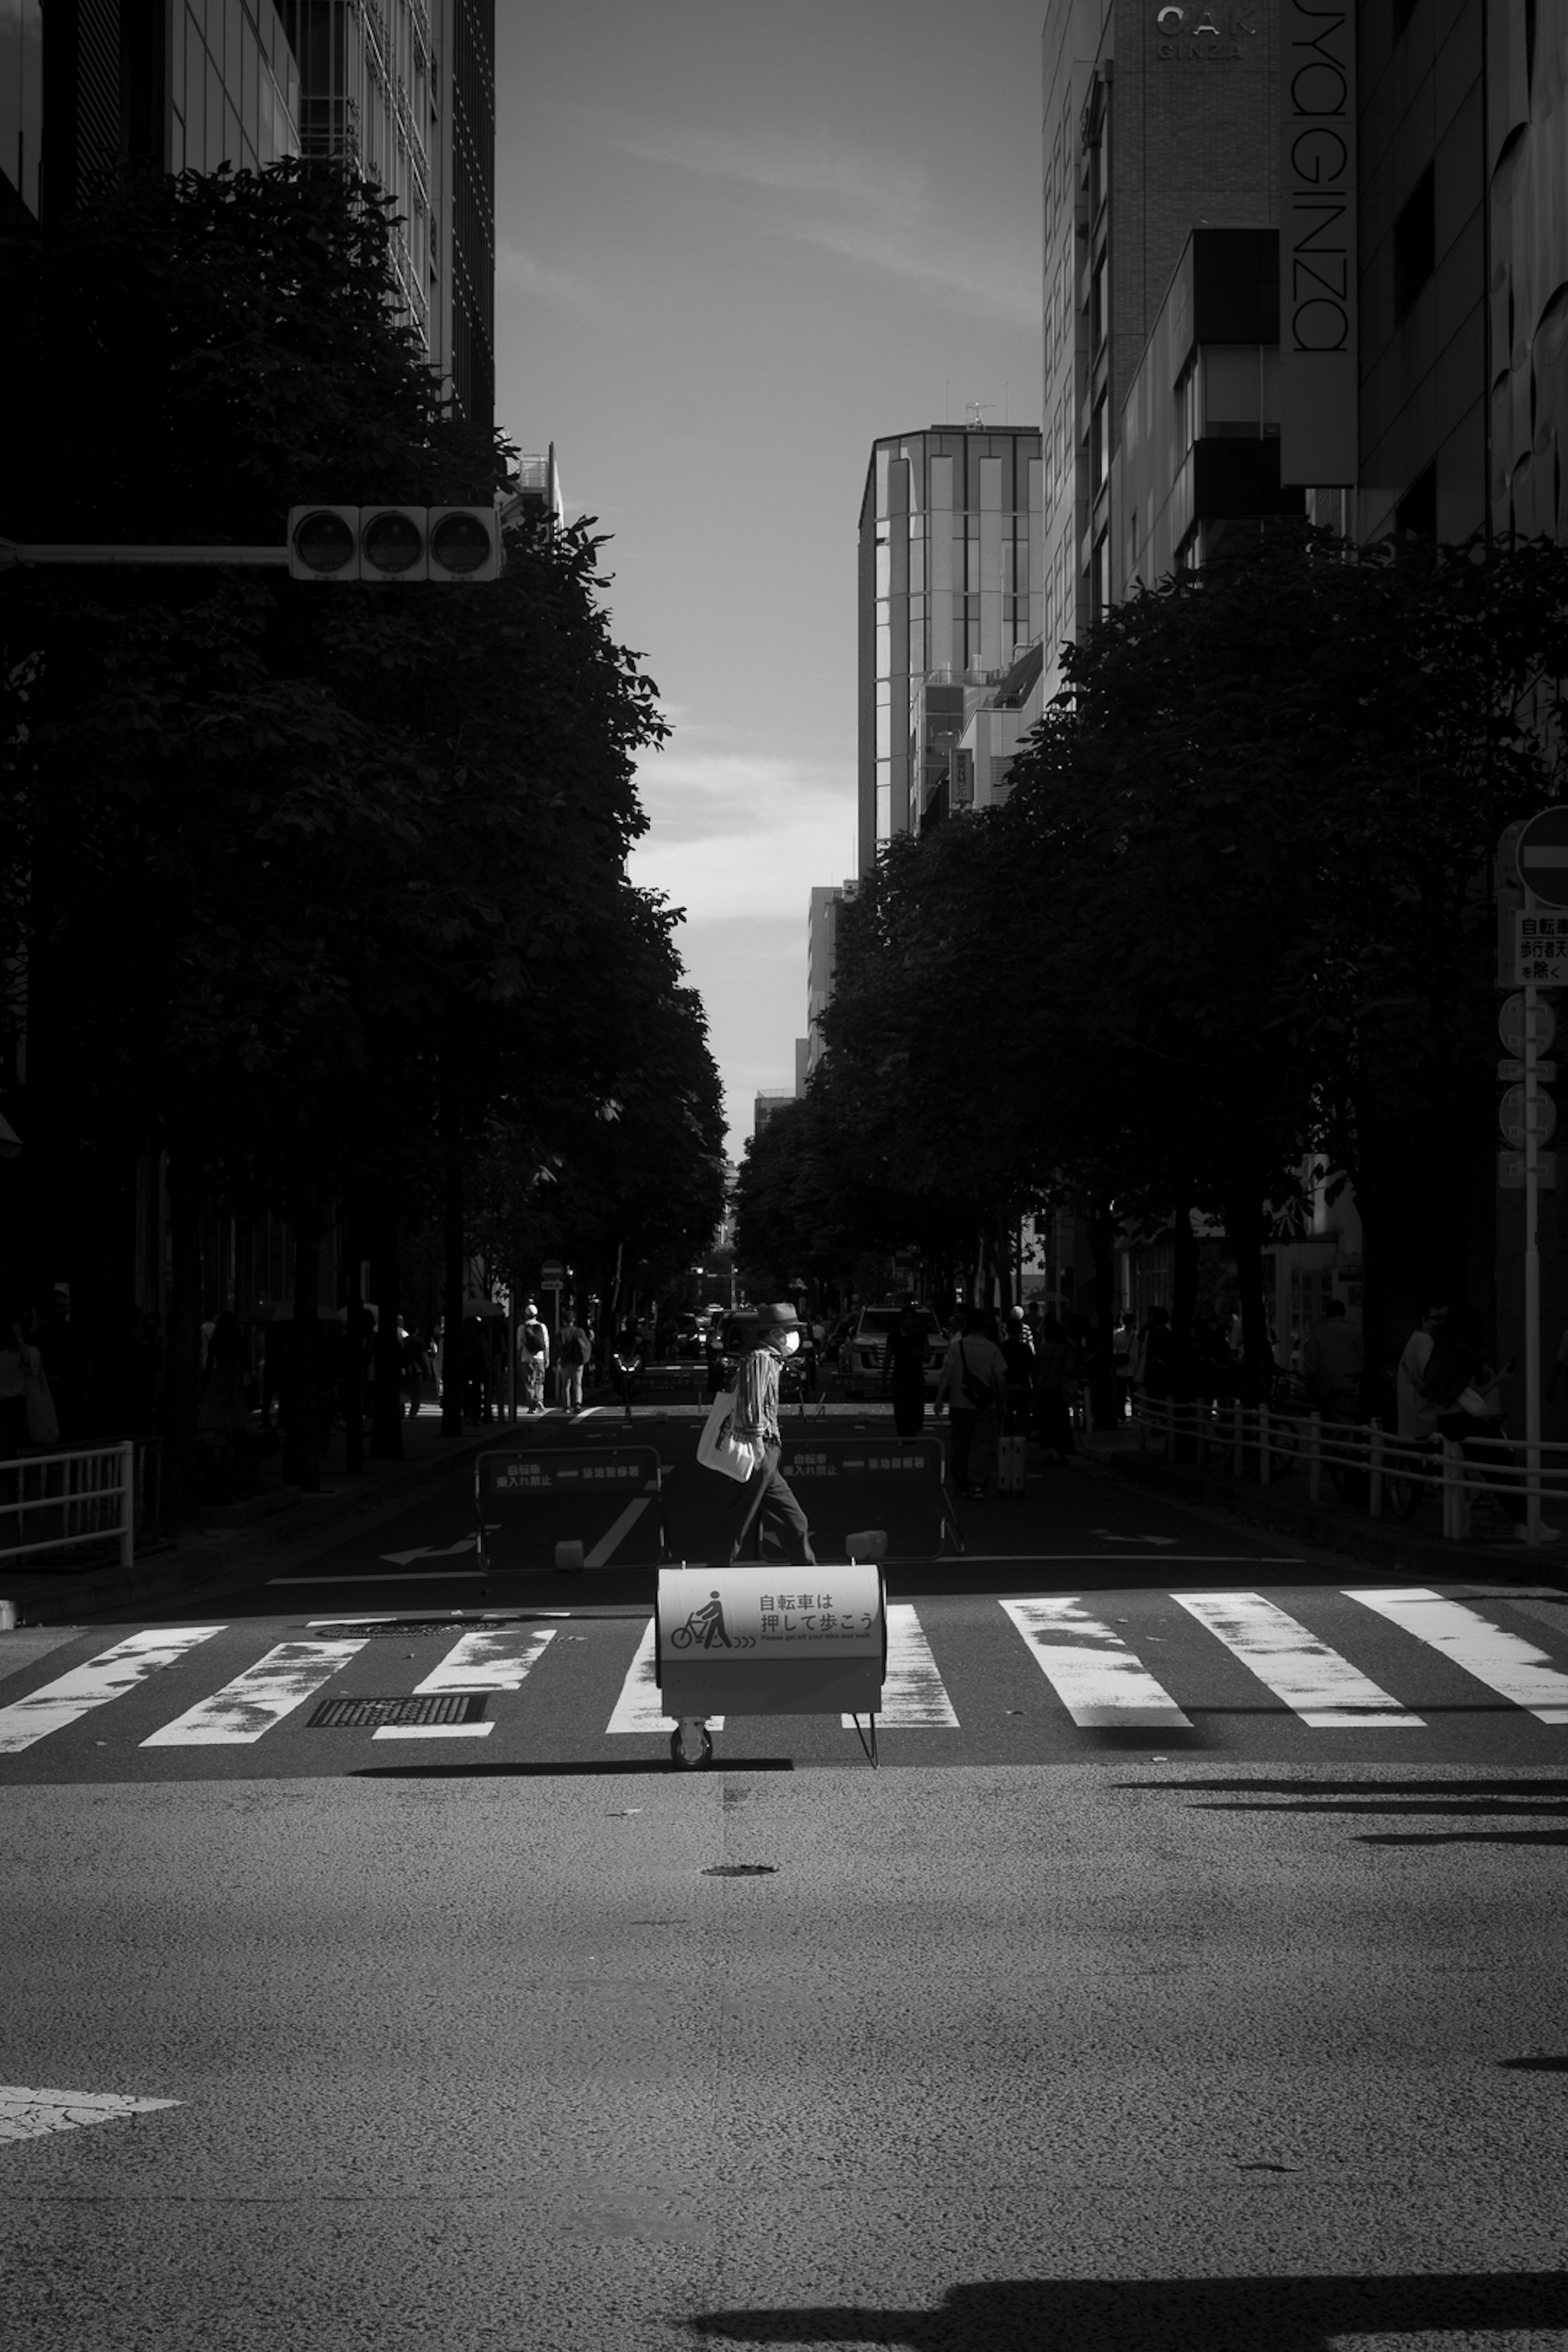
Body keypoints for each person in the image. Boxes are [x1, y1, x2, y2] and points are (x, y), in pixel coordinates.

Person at [725, 1303, 816, 1565]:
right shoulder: (760, 1360)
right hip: (760, 1447)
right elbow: (751, 1403)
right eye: (790, 1330)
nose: (794, 1336)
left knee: (794, 1519)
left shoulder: (769, 1360)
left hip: (767, 1448)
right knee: (739, 1518)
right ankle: (716, 1573)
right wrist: (757, 1445)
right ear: (776, 1334)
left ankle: (809, 1573)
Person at [935, 1309, 1010, 1499]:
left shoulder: (957, 1347)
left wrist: (939, 1399)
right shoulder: (993, 1349)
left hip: (960, 1403)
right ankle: (978, 1484)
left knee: (961, 1444)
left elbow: (947, 1374)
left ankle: (962, 1484)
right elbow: (1001, 1380)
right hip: (986, 1405)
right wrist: (1003, 1401)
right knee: (983, 1445)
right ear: (986, 1326)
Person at [1395, 1300, 1449, 1444]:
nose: (1442, 1322)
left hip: (1411, 1419)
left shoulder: (1417, 1339)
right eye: (1438, 1318)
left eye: (1446, 1317)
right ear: (1424, 1320)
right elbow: (1432, 1379)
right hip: (1424, 1418)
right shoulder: (1426, 1342)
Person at [1302, 1298, 1363, 1420]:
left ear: (1327, 1313)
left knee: (1327, 1417)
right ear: (1343, 1313)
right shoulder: (1354, 1331)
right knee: (1346, 1416)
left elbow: (1312, 1360)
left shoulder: (1318, 1332)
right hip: (1350, 1382)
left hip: (1325, 1382)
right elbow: (1363, 1354)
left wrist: (1312, 1377)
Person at [1031, 1314, 1078, 1463]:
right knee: (1061, 1422)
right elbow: (1071, 1368)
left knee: (1046, 1422)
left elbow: (1035, 1370)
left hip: (1044, 1388)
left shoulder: (1041, 1349)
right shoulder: (1064, 1349)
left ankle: (1050, 1453)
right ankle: (1062, 1452)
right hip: (1059, 1388)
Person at [882, 1304, 930, 1439]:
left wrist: (919, 1355)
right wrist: (884, 1380)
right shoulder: (894, 1337)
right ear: (901, 1320)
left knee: (917, 1411)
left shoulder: (920, 1336)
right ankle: (904, 1437)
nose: (909, 1321)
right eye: (906, 1318)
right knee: (901, 1410)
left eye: (911, 1318)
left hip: (917, 1378)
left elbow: (928, 1356)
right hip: (900, 1378)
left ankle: (912, 1431)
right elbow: (888, 1358)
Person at [556, 1304, 591, 1413]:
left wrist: (556, 1361)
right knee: (578, 1384)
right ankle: (578, 1404)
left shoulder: (562, 1333)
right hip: (578, 1362)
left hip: (565, 1362)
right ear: (574, 1320)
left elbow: (558, 1348)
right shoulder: (579, 1332)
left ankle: (566, 1406)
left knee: (566, 1385)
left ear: (564, 1321)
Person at [517, 1300, 549, 1413]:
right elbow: (546, 1345)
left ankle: (532, 1406)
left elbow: (519, 1346)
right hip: (540, 1357)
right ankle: (539, 1400)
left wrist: (518, 1358)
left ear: (526, 1315)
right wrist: (547, 1358)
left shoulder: (522, 1328)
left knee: (529, 1382)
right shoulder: (542, 1327)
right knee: (540, 1381)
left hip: (526, 1358)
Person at [1112, 1311, 1137, 1419]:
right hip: (1133, 1368)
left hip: (1121, 1367)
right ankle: (1135, 1413)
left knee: (1121, 1393)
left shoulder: (1117, 1335)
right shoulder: (1137, 1336)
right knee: (1134, 1393)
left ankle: (1121, 1414)